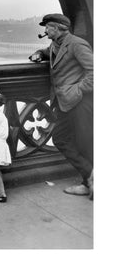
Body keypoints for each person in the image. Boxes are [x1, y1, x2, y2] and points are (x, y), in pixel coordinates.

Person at [30, 13, 93, 200]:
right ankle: (90, 177)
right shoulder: (56, 44)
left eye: (48, 27)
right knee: (61, 138)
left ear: (57, 28)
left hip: (80, 102)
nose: (45, 30)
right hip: (65, 102)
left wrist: (78, 90)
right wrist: (39, 54)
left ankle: (88, 181)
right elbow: (50, 53)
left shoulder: (77, 44)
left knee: (84, 141)